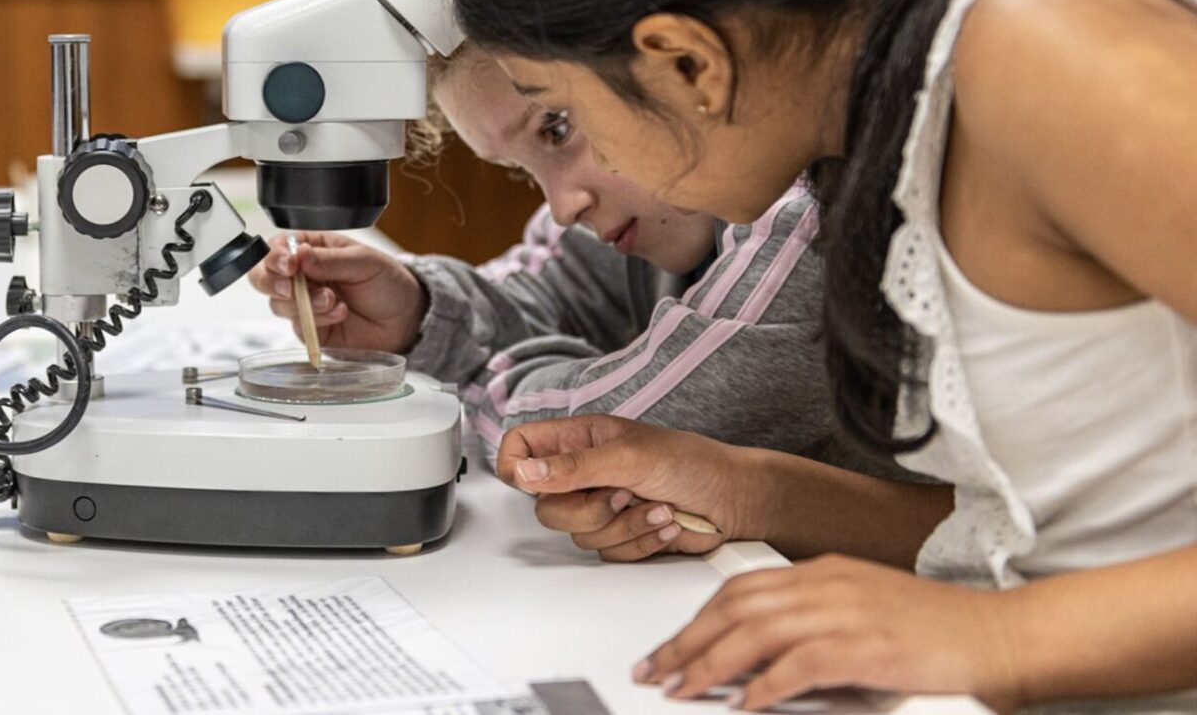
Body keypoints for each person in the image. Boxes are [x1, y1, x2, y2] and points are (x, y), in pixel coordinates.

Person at [451, 0, 1197, 715]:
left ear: (686, 63)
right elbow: (1052, 532)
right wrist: (743, 489)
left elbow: (1028, 605)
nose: (576, 185)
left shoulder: (1036, 53)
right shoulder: (877, 124)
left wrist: (997, 638)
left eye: (565, 117)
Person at [248, 43, 897, 484]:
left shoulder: (814, 203)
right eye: (522, 173)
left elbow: (623, 427)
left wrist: (451, 380)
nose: (562, 205)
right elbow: (547, 288)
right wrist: (415, 317)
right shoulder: (645, 199)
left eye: (557, 129)